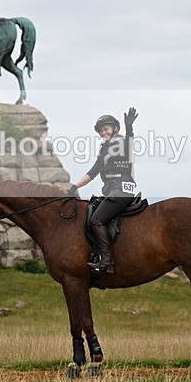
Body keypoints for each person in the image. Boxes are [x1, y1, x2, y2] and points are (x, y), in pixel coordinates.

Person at [68, 107, 140, 273]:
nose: (103, 133)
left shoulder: (123, 143)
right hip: (111, 191)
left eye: (106, 129)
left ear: (114, 128)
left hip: (121, 190)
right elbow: (92, 172)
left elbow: (129, 141)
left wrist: (129, 127)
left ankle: (107, 261)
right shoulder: (104, 151)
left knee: (96, 220)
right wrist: (75, 186)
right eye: (101, 131)